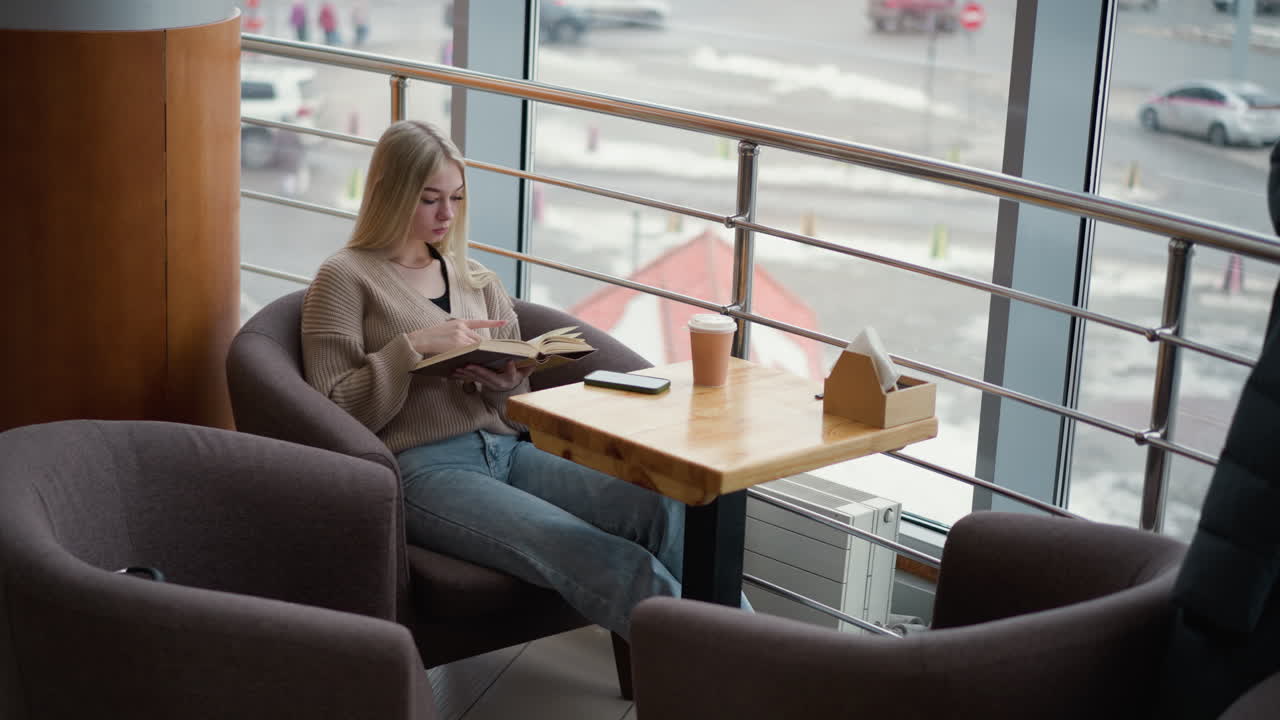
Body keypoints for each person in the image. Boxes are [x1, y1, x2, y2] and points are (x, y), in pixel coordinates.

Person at [300, 120, 690, 639]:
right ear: (390, 194)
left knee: (666, 508)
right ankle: (725, 678)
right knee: (601, 555)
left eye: (457, 198)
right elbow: (332, 411)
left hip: (508, 452)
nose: (447, 215)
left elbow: (514, 408)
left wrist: (506, 385)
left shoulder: (476, 279)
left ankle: (758, 654)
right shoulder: (344, 278)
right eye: (430, 199)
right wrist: (410, 348)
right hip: (423, 471)